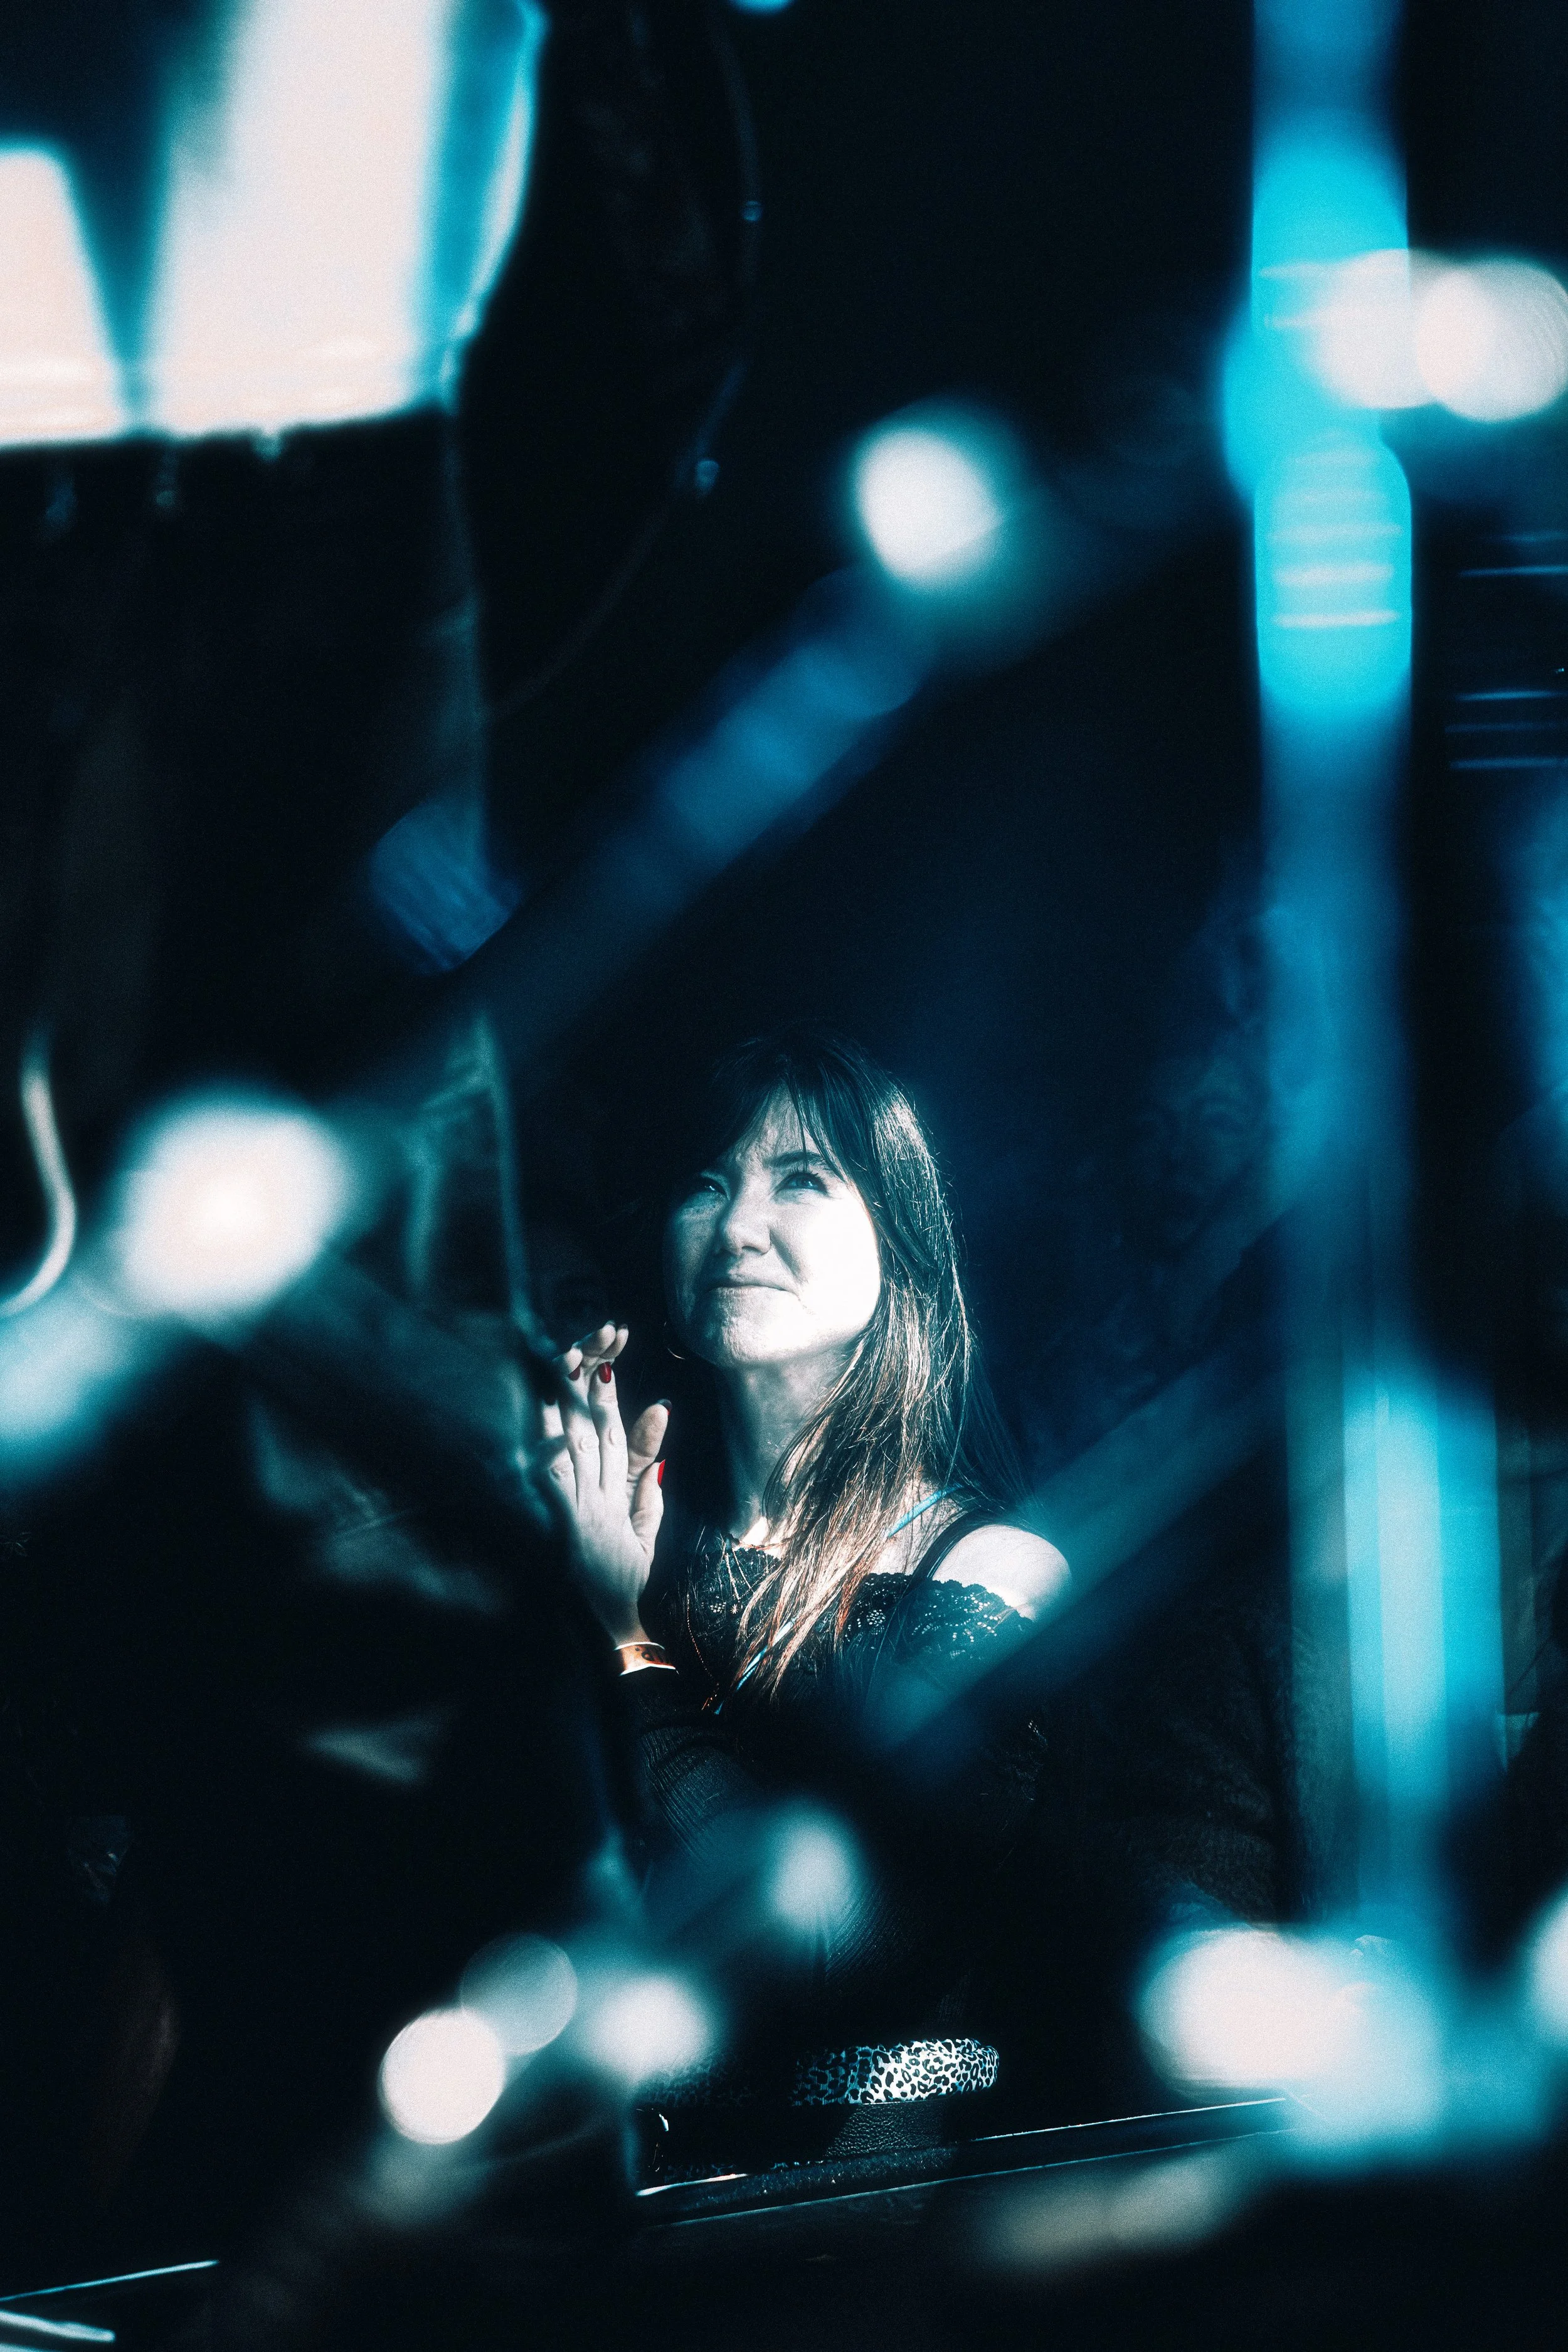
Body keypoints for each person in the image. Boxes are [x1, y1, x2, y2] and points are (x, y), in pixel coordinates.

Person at [544, 1026, 1067, 2165]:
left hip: (867, 2216)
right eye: (705, 1182)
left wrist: (625, 1645)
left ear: (901, 1240)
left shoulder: (994, 1572)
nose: (737, 1226)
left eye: (800, 1180)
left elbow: (830, 1943)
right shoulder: (622, 1547)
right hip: (626, 2215)